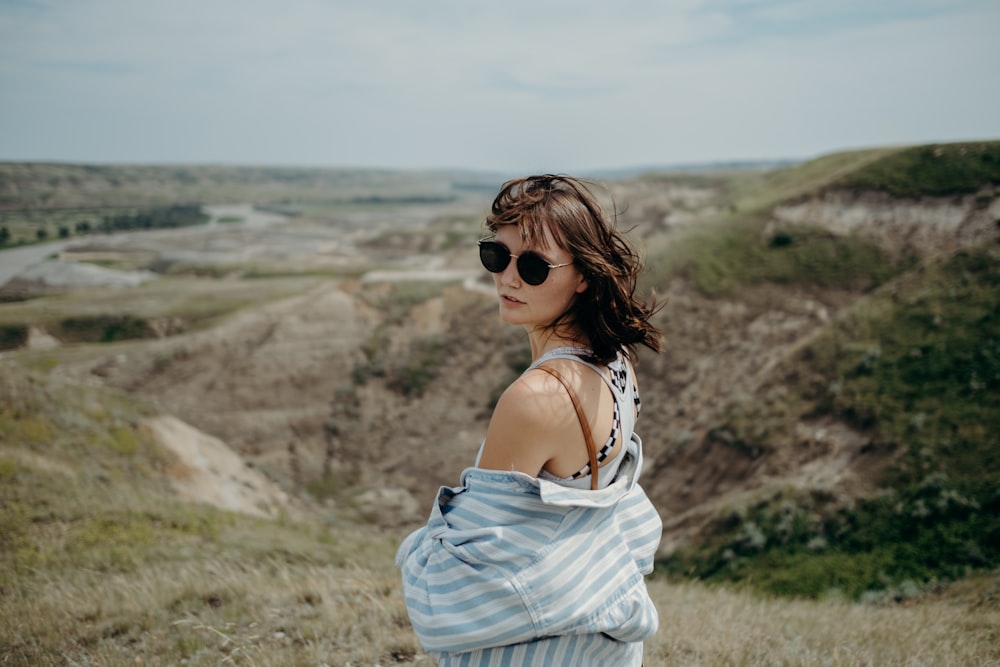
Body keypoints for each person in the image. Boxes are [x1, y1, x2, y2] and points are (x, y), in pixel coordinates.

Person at [396, 174, 664, 665]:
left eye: (535, 266)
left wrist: (414, 551)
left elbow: (459, 586)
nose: (508, 278)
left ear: (583, 275)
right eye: (496, 256)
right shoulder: (616, 362)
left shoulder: (535, 398)